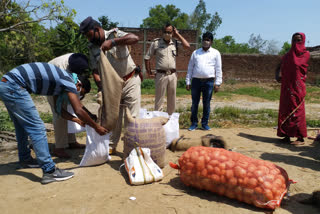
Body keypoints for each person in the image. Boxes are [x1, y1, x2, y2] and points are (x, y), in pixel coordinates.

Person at [0, 62, 108, 184]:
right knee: (38, 128)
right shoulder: (68, 81)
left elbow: (58, 110)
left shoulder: (59, 84)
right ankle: (49, 171)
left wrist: (77, 120)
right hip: (15, 86)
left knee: (21, 127)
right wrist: (96, 127)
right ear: (79, 84)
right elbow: (78, 109)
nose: (78, 96)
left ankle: (25, 160)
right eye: (80, 93)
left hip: (7, 84)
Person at [79, 16, 141, 154]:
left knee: (133, 116)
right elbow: (95, 70)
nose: (89, 39)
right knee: (113, 117)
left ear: (97, 29)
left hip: (130, 80)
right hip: (111, 86)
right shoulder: (92, 47)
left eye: (89, 35)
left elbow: (135, 38)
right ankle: (112, 145)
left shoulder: (115, 34)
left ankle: (133, 147)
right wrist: (101, 85)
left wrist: (113, 42)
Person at [47, 53, 89, 158]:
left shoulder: (77, 60)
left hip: (61, 82)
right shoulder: (61, 70)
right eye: (82, 93)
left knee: (69, 109)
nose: (82, 96)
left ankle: (71, 141)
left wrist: (88, 114)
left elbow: (77, 105)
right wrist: (85, 121)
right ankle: (59, 147)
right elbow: (60, 110)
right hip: (51, 85)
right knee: (60, 114)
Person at [144, 23, 190, 115]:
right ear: (162, 32)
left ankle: (170, 119)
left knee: (172, 99)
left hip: (172, 75)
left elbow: (187, 46)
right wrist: (149, 72)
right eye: (165, 32)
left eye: (169, 32)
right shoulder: (156, 43)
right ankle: (157, 120)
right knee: (159, 100)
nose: (167, 34)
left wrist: (178, 35)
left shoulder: (175, 43)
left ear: (172, 32)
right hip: (161, 75)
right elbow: (147, 58)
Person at [276, 32, 310, 145]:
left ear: (303, 41)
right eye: (294, 40)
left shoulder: (305, 55)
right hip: (286, 87)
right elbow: (279, 65)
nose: (296, 42)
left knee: (298, 111)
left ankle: (300, 137)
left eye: (299, 40)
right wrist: (278, 75)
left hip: (298, 88)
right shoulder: (287, 55)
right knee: (285, 110)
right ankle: (286, 135)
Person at [185, 32, 222, 131]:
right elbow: (190, 68)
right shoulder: (195, 53)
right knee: (194, 103)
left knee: (207, 104)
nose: (205, 41)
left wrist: (217, 83)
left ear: (211, 42)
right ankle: (194, 123)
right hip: (196, 81)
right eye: (204, 39)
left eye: (208, 40)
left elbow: (218, 69)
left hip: (209, 82)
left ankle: (205, 124)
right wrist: (188, 81)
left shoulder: (216, 53)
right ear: (201, 41)